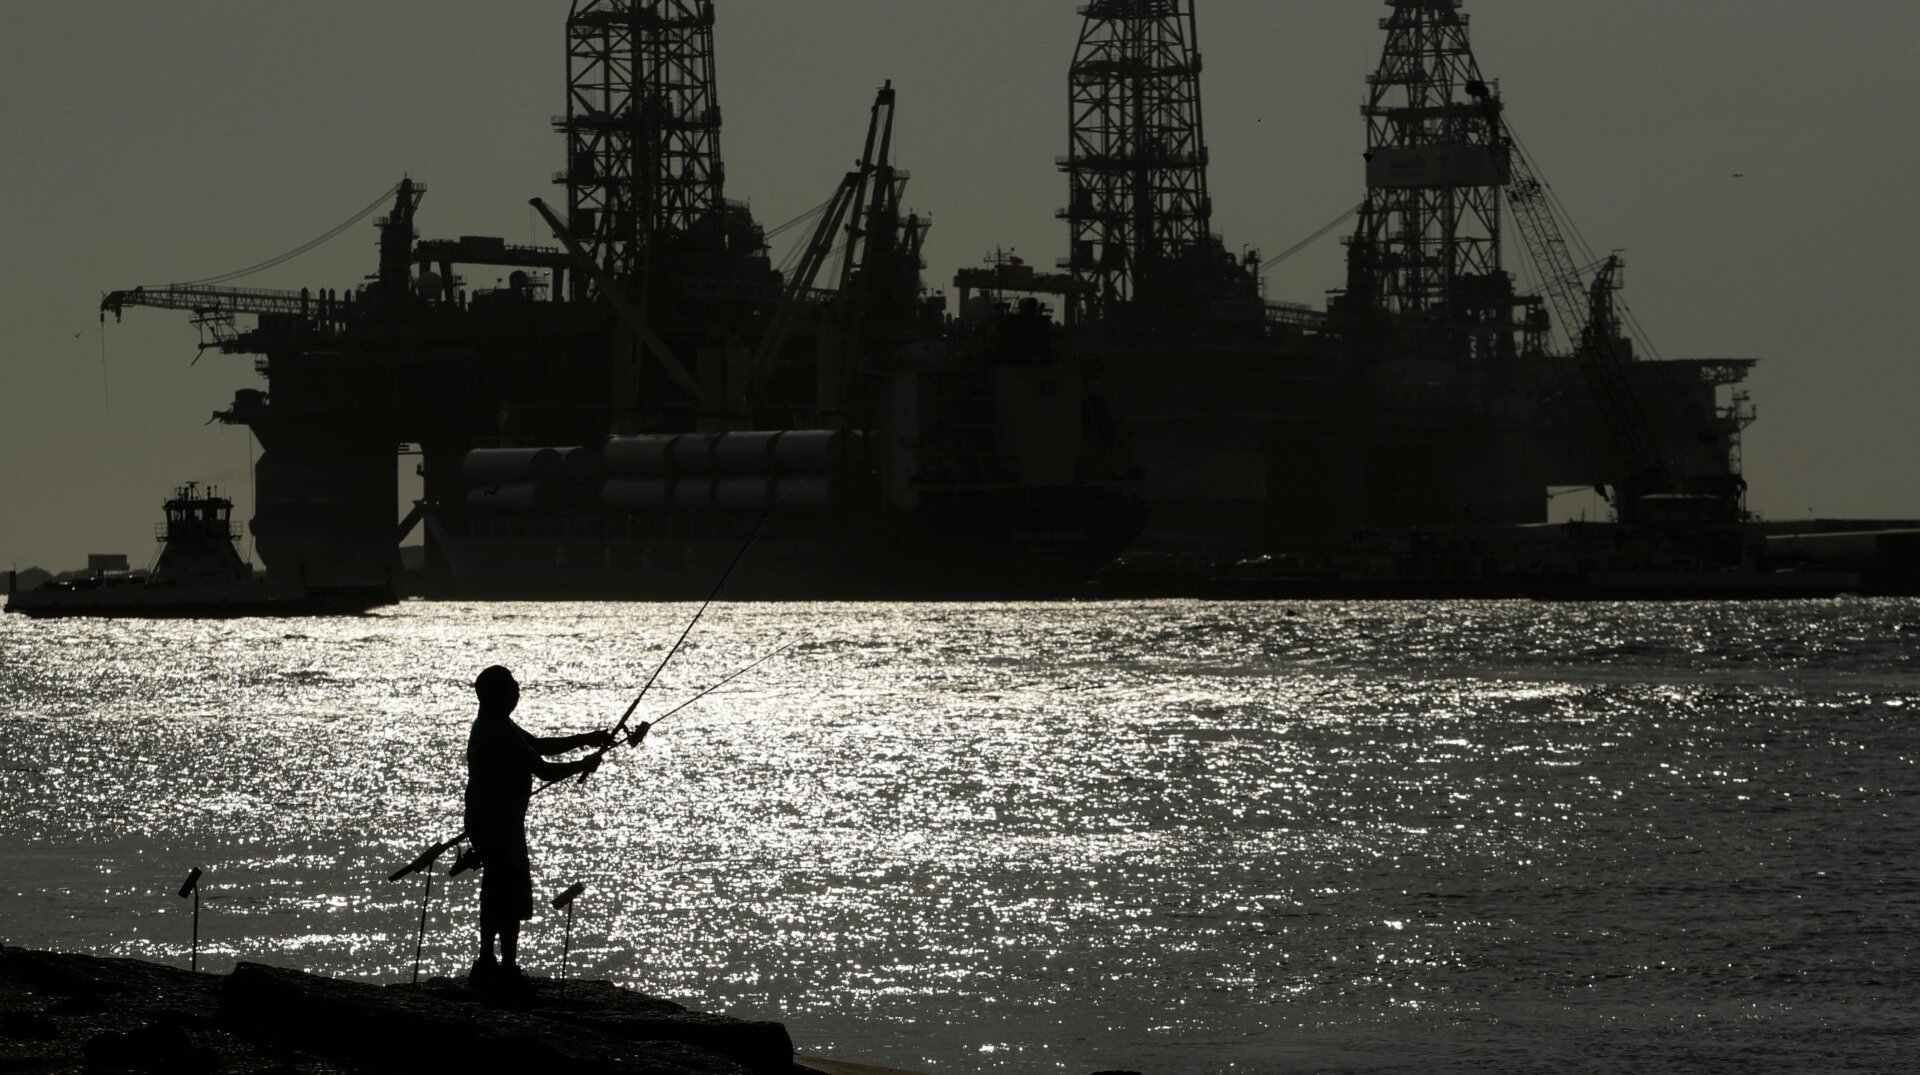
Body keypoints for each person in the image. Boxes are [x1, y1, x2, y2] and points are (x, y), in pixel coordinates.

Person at [463, 664, 648, 990]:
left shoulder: (497, 724)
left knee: (502, 892)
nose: (518, 691)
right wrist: (582, 764)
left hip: (495, 823)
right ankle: (497, 966)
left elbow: (541, 746)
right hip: (496, 825)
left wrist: (588, 739)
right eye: (512, 687)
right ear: (496, 695)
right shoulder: (495, 729)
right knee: (503, 894)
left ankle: (496, 963)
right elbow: (544, 771)